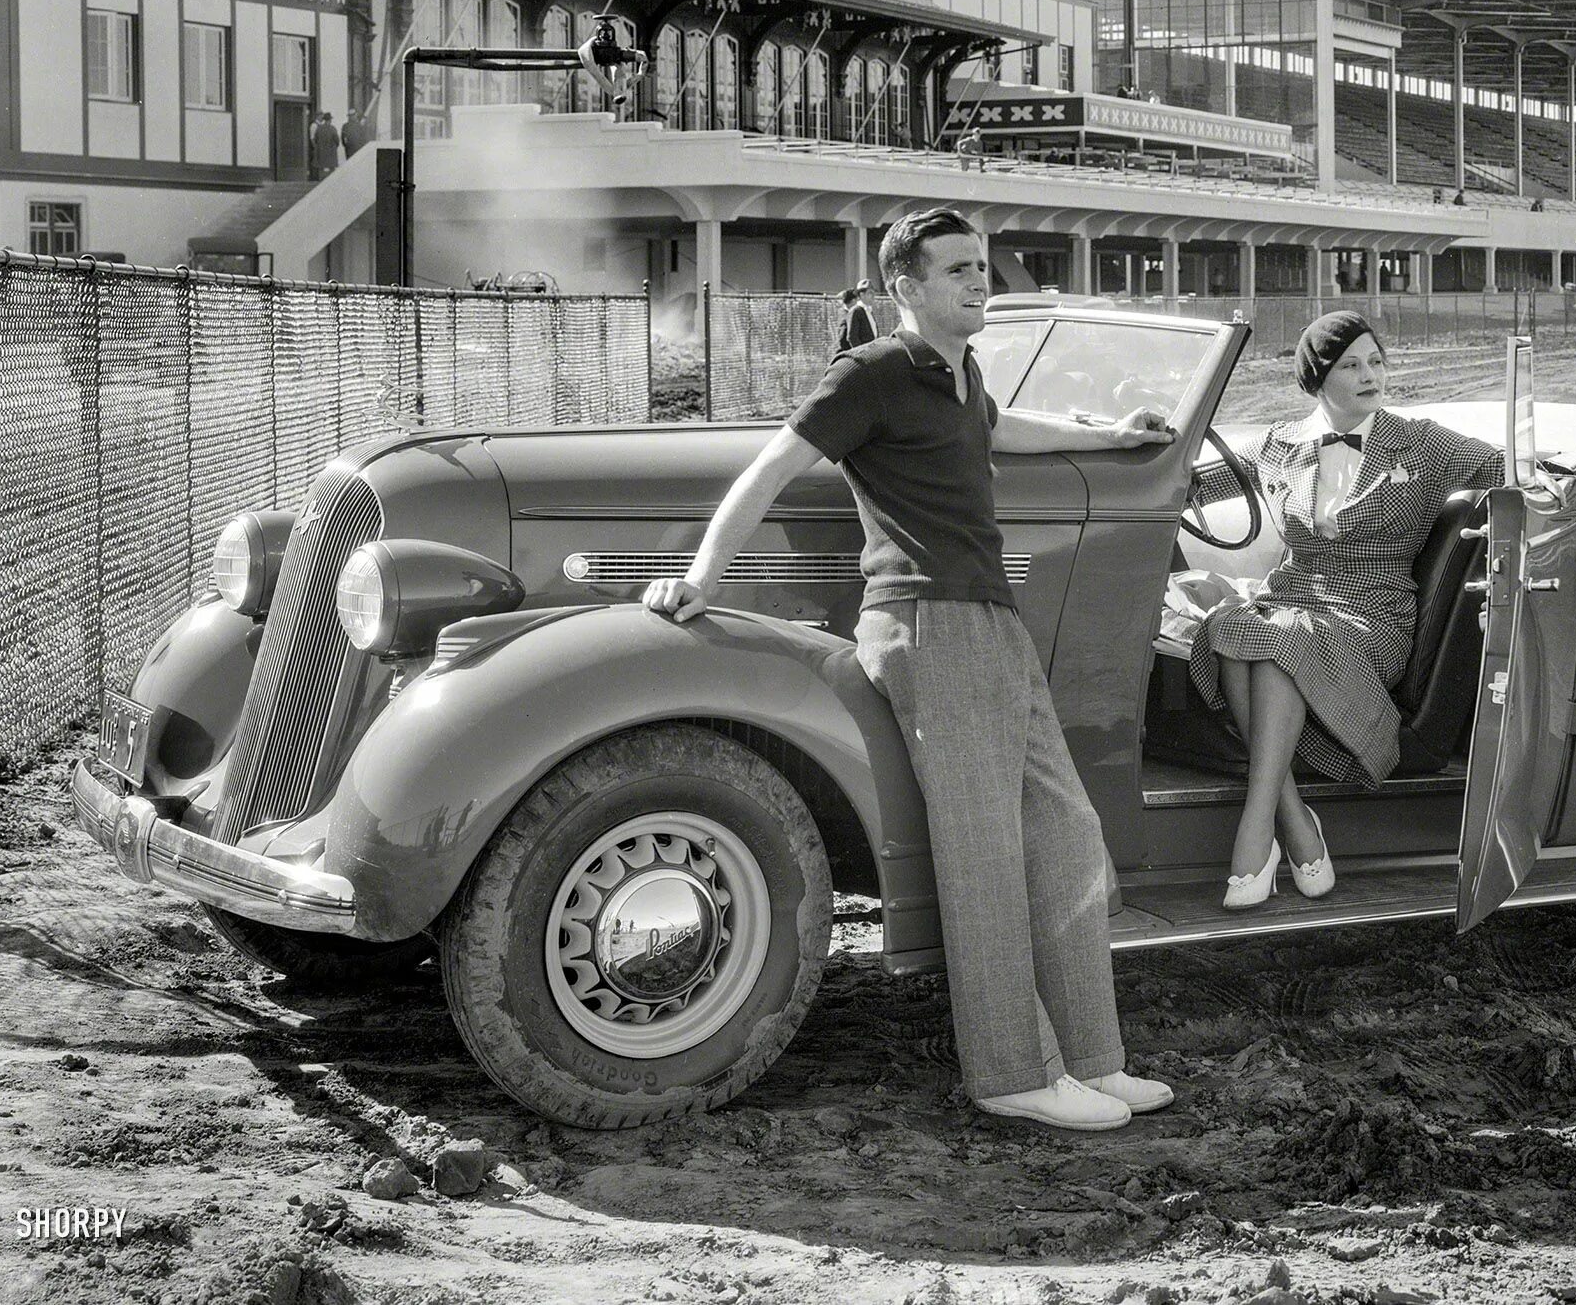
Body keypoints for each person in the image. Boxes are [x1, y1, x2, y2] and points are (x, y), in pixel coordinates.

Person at [642, 207, 1176, 1132]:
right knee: (984, 855)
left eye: (983, 267)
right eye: (960, 270)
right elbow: (773, 463)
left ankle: (1095, 1058)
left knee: (1066, 835)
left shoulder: (962, 373)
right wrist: (699, 577)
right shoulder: (874, 370)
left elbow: (1001, 433)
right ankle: (1011, 1073)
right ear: (906, 287)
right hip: (927, 621)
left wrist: (1113, 433)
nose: (981, 282)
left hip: (989, 624)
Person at [1189, 311, 1502, 910]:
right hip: (1293, 601)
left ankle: (1258, 833)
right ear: (1317, 379)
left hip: (1374, 615)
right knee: (1228, 627)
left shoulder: (1423, 443)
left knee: (1278, 642)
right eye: (1351, 365)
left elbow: (1511, 467)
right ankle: (1294, 819)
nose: (1370, 375)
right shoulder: (1279, 443)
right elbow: (1190, 484)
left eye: (1376, 361)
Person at [830, 284, 877, 359]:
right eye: (870, 293)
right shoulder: (852, 312)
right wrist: (860, 354)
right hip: (853, 355)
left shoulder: (868, 311)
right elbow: (848, 337)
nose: (873, 296)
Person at [307, 110, 340, 181]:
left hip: (321, 152)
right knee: (332, 169)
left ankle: (321, 182)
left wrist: (318, 148)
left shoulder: (319, 128)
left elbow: (315, 139)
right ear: (330, 120)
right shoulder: (332, 128)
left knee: (322, 169)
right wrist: (334, 147)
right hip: (331, 152)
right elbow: (337, 140)